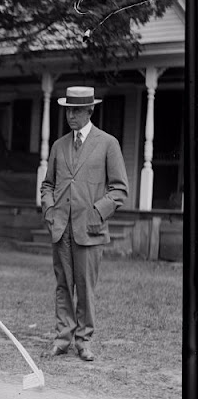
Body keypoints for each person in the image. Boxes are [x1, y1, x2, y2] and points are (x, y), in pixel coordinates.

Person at [40, 86, 129, 362]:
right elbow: (48, 185)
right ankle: (62, 338)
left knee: (86, 288)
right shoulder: (59, 145)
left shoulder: (108, 144)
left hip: (90, 230)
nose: (71, 116)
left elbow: (119, 190)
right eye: (68, 110)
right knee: (63, 286)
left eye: (77, 110)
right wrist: (50, 211)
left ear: (90, 111)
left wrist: (96, 213)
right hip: (61, 229)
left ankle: (84, 341)